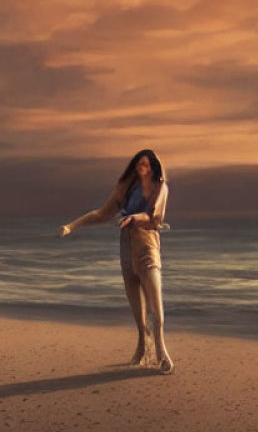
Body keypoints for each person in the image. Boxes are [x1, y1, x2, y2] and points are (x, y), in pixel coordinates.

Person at [60, 149, 174, 374]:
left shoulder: (161, 188)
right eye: (139, 164)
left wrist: (134, 217)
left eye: (147, 164)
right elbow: (102, 214)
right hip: (126, 248)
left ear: (154, 167)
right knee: (137, 308)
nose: (143, 168)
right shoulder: (128, 190)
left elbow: (152, 215)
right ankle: (143, 348)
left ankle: (162, 352)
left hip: (147, 246)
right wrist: (72, 225)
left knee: (156, 305)